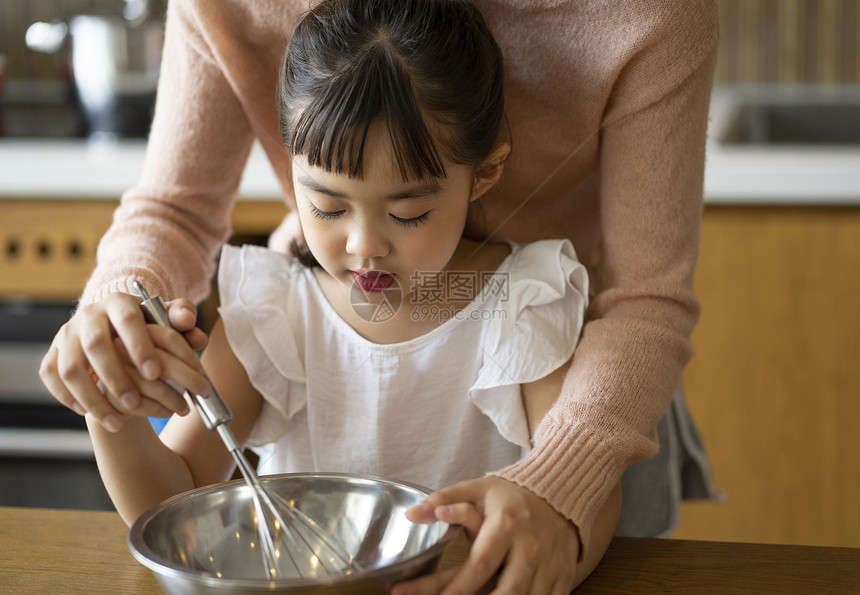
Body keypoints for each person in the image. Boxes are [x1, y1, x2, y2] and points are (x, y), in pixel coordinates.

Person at [40, 0, 720, 592]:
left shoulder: (525, 306)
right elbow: (174, 497)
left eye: (409, 214)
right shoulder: (276, 313)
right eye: (329, 207)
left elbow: (585, 498)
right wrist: (114, 398)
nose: (365, 246)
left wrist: (555, 510)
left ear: (484, 174)